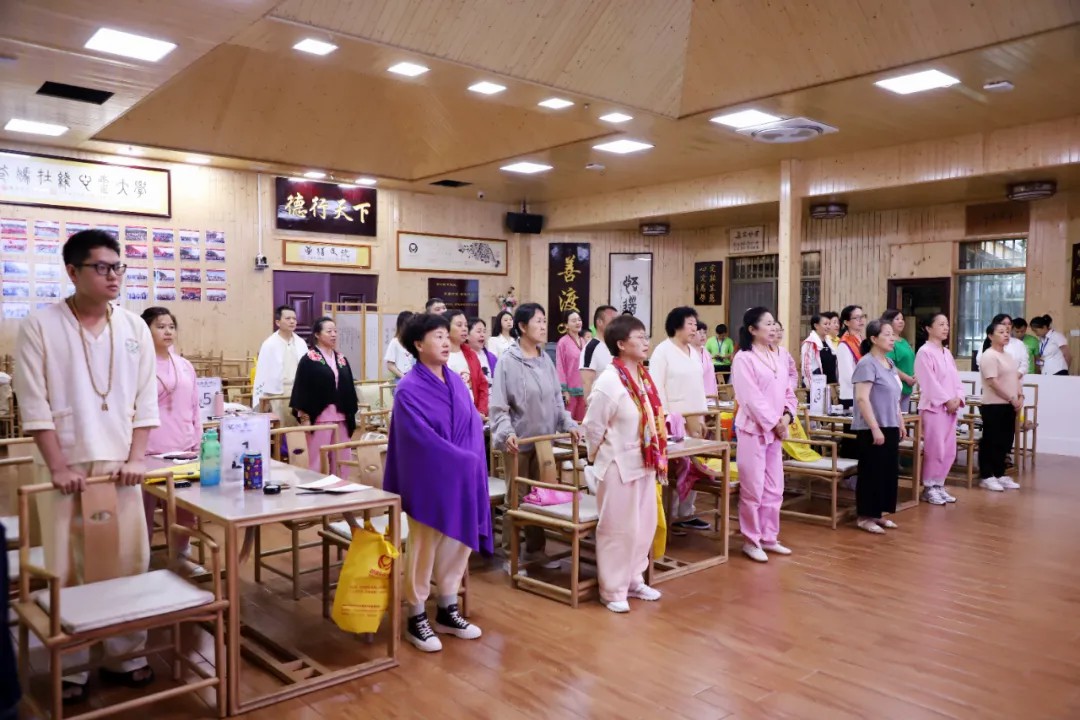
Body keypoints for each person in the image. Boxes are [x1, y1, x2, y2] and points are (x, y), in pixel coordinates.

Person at [14, 229, 159, 702]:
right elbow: (33, 403)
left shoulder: (134, 327)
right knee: (65, 566)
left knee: (128, 560)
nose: (114, 276)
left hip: (121, 466)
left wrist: (137, 457)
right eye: (102, 267)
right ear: (72, 271)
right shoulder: (40, 325)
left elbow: (145, 399)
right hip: (65, 467)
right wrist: (58, 466)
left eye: (118, 267)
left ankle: (125, 656)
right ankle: (71, 665)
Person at [383, 313, 492, 652]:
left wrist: (469, 461)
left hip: (460, 476)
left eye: (447, 336)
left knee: (458, 542)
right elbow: (419, 440)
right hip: (429, 478)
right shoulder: (407, 389)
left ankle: (447, 607)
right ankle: (416, 615)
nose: (446, 342)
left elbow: (472, 424)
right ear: (418, 344)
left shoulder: (455, 381)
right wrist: (460, 459)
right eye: (438, 337)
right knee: (424, 544)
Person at [582, 314, 665, 613]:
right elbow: (593, 427)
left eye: (646, 336)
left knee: (643, 526)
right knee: (617, 529)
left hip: (645, 461)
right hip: (618, 464)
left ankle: (633, 579)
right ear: (620, 344)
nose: (645, 342)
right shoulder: (608, 380)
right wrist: (595, 457)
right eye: (639, 337)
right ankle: (612, 589)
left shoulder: (643, 377)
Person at [490, 303, 580, 565]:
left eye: (544, 320)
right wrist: (506, 432)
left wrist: (568, 423)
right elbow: (499, 406)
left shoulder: (545, 359)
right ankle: (512, 555)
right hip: (518, 443)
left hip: (543, 443)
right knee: (516, 499)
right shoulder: (507, 361)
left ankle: (536, 549)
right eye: (537, 321)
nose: (543, 326)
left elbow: (556, 400)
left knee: (540, 496)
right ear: (522, 326)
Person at [730, 307, 797, 562]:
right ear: (752, 329)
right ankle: (751, 540)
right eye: (767, 324)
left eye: (773, 323)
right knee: (753, 488)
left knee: (774, 487)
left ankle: (769, 537)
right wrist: (774, 422)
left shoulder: (778, 355)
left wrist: (787, 416)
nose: (773, 328)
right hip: (752, 430)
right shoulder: (744, 358)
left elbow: (789, 390)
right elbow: (750, 398)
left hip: (776, 430)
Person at [140, 307, 204, 572]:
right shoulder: (138, 365)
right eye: (160, 326)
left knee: (182, 508)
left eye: (171, 326)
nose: (167, 331)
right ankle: (139, 561)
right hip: (147, 450)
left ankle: (180, 556)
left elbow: (195, 407)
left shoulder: (184, 365)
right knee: (142, 511)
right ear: (145, 330)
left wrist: (198, 440)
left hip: (183, 447)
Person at [650, 306, 709, 531]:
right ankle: (670, 515)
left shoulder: (693, 352)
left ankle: (686, 512)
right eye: (690, 324)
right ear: (677, 326)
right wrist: (666, 419)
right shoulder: (662, 351)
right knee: (676, 468)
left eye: (696, 324)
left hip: (695, 416)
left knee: (695, 465)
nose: (695, 328)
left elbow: (698, 386)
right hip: (673, 420)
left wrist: (702, 417)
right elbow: (656, 388)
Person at [851, 320, 906, 534]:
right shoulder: (867, 363)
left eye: (893, 335)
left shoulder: (889, 363)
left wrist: (900, 421)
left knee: (887, 472)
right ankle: (864, 516)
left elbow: (894, 397)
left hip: (890, 424)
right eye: (887, 334)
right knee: (871, 472)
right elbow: (862, 398)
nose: (892, 339)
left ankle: (877, 514)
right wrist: (875, 428)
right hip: (872, 427)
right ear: (874, 339)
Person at [289, 317, 359, 473]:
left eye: (335, 331)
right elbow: (301, 389)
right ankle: (316, 486)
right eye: (329, 331)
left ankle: (340, 484)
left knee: (342, 457)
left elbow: (349, 388)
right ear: (317, 335)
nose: (333, 334)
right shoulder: (309, 359)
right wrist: (305, 418)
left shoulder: (341, 359)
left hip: (342, 416)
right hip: (320, 417)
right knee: (316, 457)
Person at [914, 313, 963, 505]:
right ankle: (929, 487)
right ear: (928, 328)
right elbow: (928, 382)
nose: (946, 328)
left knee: (949, 449)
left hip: (950, 408)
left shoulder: (947, 353)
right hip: (934, 408)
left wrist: (958, 398)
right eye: (941, 324)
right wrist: (946, 400)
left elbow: (956, 380)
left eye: (947, 324)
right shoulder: (924, 352)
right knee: (935, 449)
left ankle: (939, 484)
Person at [979, 319, 1024, 491]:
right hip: (994, 405)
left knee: (1005, 440)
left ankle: (999, 473)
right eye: (1001, 332)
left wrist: (1020, 396)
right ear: (990, 336)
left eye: (1007, 332)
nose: (1006, 334)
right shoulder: (989, 355)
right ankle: (987, 475)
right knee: (991, 440)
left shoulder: (1008, 356)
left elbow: (1015, 378)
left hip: (1009, 404)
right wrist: (1011, 398)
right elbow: (993, 382)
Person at [252, 305, 308, 424]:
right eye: (288, 318)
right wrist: (264, 397)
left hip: (298, 390)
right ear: (278, 322)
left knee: (298, 426)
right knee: (280, 426)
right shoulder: (269, 344)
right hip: (277, 392)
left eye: (294, 318)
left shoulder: (301, 343)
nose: (292, 321)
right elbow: (263, 372)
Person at [445, 309, 489, 416]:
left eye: (465, 325)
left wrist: (481, 411)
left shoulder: (471, 354)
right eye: (459, 325)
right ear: (446, 328)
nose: (464, 328)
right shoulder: (440, 357)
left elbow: (482, 385)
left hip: (473, 413)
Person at [579, 305, 619, 399]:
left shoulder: (617, 346)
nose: (617, 324)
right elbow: (586, 383)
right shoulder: (590, 348)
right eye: (613, 320)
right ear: (599, 322)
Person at [882, 310, 917, 412]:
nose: (901, 321)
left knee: (904, 417)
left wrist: (915, 375)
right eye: (897, 319)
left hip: (907, 387)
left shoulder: (904, 341)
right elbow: (889, 364)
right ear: (888, 321)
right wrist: (906, 378)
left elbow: (910, 361)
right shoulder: (890, 342)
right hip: (896, 386)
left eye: (902, 319)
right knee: (895, 416)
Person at [555, 310, 587, 422]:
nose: (578, 323)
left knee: (582, 423)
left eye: (579, 320)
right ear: (566, 325)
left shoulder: (583, 341)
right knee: (568, 423)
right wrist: (564, 391)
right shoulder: (562, 342)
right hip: (570, 391)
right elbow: (560, 366)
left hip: (584, 390)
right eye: (574, 321)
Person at [976, 314, 1027, 378]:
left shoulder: (1019, 344)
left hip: (1014, 380)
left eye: (1009, 324)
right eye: (1003, 324)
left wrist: (1017, 375)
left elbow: (1024, 364)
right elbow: (980, 361)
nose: (1007, 326)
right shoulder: (988, 342)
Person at [837, 305, 867, 413]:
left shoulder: (863, 340)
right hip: (851, 394)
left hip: (864, 392)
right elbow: (847, 375)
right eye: (857, 318)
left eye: (862, 316)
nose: (861, 320)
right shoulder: (844, 344)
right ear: (847, 322)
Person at [800, 313, 837, 389]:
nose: (828, 327)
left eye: (829, 324)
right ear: (816, 326)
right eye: (825, 324)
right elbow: (806, 367)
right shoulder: (810, 343)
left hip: (831, 385)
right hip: (816, 387)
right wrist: (811, 387)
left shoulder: (829, 341)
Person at [384, 310, 416, 389]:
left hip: (415, 378)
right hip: (402, 378)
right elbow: (390, 365)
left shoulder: (415, 342)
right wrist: (403, 377)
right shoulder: (395, 342)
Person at [692, 319, 719, 398]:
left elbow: (712, 376)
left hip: (711, 395)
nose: (703, 335)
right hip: (695, 396)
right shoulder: (688, 352)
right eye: (699, 332)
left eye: (704, 332)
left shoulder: (706, 352)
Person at [467, 317, 497, 386]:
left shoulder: (492, 357)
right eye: (479, 331)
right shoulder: (462, 357)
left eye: (484, 331)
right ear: (467, 335)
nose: (482, 335)